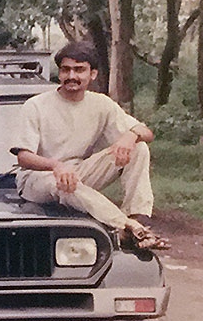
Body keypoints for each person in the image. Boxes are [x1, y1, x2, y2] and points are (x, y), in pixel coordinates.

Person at [11, 41, 168, 249]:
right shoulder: (36, 105)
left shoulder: (101, 104)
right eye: (66, 70)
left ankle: (138, 216)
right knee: (63, 182)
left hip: (78, 173)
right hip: (38, 180)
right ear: (59, 73)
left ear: (92, 74)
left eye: (79, 70)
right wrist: (56, 166)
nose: (71, 76)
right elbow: (23, 157)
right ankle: (129, 227)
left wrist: (129, 136)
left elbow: (146, 133)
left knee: (138, 147)